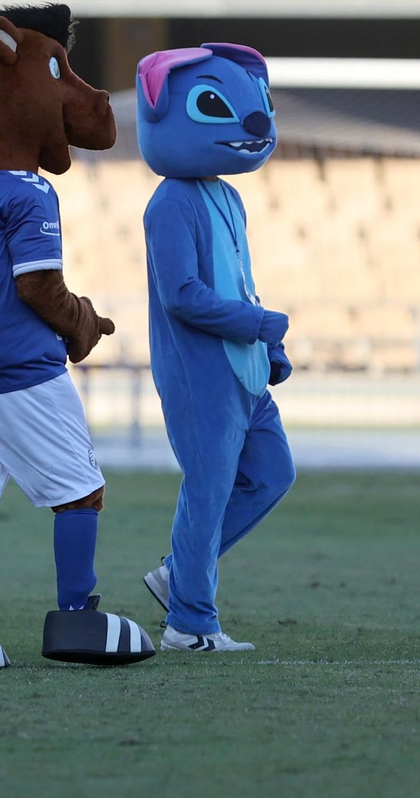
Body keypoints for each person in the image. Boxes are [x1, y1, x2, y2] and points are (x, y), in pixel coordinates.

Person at [0, 6, 155, 670]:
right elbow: (38, 287)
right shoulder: (26, 192)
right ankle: (76, 617)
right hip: (15, 366)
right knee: (80, 488)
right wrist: (82, 325)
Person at [135, 43, 296, 652]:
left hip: (245, 372)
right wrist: (257, 324)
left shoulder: (229, 197)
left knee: (273, 473)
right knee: (206, 491)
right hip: (201, 375)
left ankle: (178, 574)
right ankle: (190, 624)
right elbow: (182, 296)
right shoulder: (169, 203)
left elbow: (239, 282)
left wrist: (268, 347)